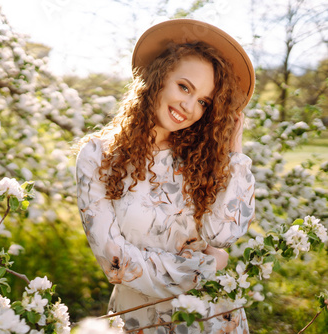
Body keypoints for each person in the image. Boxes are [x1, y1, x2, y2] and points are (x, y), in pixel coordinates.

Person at [75, 19, 256, 334]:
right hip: (139, 318)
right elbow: (115, 262)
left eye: (203, 102)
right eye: (184, 87)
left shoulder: (204, 158)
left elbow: (223, 235)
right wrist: (208, 265)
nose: (189, 106)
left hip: (211, 318)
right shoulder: (97, 157)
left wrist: (234, 156)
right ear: (158, 78)